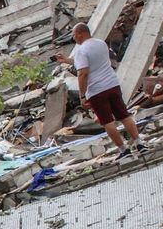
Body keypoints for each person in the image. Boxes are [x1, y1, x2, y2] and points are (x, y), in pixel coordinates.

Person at [55, 22, 144, 160]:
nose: (74, 38)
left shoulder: (81, 51)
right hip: (112, 85)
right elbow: (91, 62)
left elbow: (83, 73)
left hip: (97, 91)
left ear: (80, 34)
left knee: (107, 122)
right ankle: (139, 144)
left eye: (74, 35)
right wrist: (67, 60)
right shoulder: (101, 43)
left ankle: (124, 150)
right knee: (124, 116)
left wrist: (82, 96)